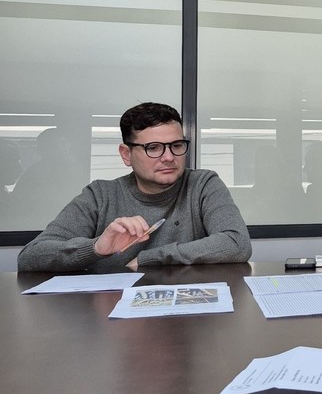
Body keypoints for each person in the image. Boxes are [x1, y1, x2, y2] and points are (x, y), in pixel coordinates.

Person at [18, 102, 252, 272]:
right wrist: (96, 248)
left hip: (187, 316)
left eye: (176, 145)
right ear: (126, 154)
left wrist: (152, 257)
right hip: (111, 321)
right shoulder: (100, 195)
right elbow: (30, 256)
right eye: (153, 147)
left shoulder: (203, 184)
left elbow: (236, 243)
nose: (169, 157)